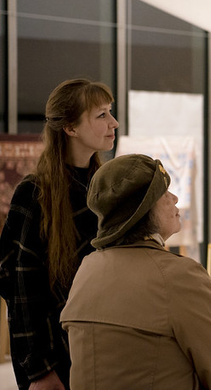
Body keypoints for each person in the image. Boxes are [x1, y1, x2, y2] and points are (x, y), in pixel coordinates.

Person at [60, 154, 211, 389]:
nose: (175, 199)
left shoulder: (88, 268)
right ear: (144, 209)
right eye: (164, 193)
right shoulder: (179, 275)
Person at [0, 78, 119, 390]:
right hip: (57, 355)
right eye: (102, 115)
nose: (114, 123)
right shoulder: (36, 192)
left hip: (108, 347)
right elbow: (20, 286)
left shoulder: (106, 186)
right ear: (70, 127)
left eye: (110, 112)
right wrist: (39, 369)